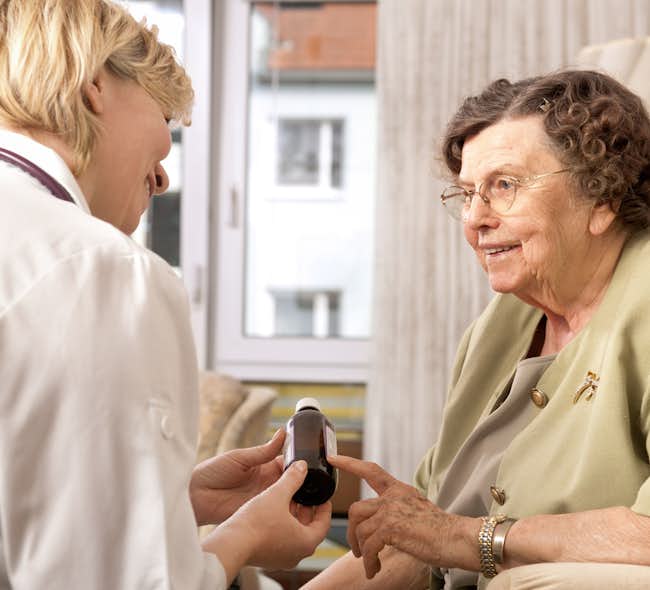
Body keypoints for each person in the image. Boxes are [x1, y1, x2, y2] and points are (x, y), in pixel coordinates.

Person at [0, 1, 330, 588]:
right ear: (93, 83)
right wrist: (245, 537)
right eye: (164, 119)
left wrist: (175, 497)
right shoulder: (101, 271)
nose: (163, 175)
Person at [304, 68, 650, 590]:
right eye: (467, 194)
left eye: (504, 185)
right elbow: (425, 535)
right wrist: (424, 532)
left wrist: (471, 540)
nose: (475, 218)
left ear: (600, 197)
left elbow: (451, 536)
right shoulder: (503, 323)